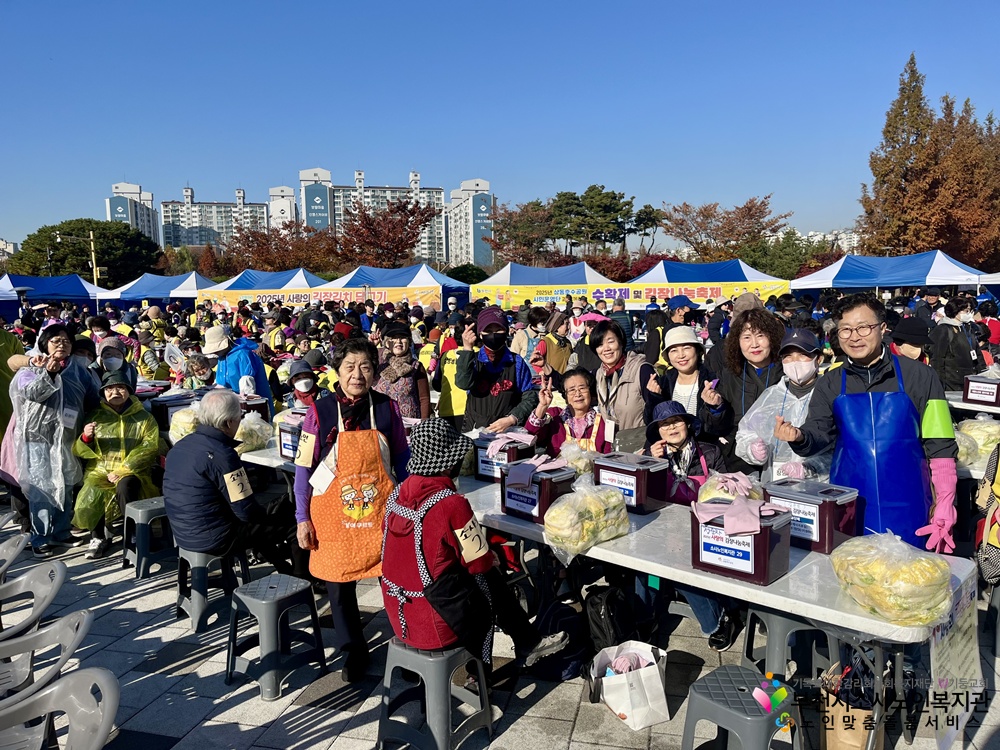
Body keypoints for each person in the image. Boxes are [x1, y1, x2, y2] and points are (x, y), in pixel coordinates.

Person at [380, 418, 568, 686]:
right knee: (487, 580)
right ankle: (482, 673)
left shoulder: (396, 493)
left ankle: (526, 642)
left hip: (399, 614)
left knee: (473, 575)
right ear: (447, 462)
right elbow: (479, 563)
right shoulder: (450, 504)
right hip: (434, 621)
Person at [774, 293, 958, 551]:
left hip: (911, 502)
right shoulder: (830, 381)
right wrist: (800, 437)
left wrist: (946, 501)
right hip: (849, 503)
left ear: (883, 329)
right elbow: (819, 433)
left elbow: (941, 444)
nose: (854, 336)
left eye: (863, 327)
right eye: (845, 330)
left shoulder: (921, 376)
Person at [295, 338, 410, 682]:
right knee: (339, 587)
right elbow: (303, 469)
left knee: (396, 580)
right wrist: (302, 518)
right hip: (332, 513)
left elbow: (402, 461)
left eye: (365, 366)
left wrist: (408, 505)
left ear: (375, 371)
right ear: (337, 371)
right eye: (350, 366)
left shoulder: (388, 408)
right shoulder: (320, 412)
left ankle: (408, 645)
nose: (357, 374)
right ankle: (352, 652)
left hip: (380, 512)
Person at [164, 389, 306, 577]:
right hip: (216, 538)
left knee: (265, 517)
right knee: (293, 522)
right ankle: (302, 579)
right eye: (239, 417)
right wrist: (270, 515)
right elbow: (246, 512)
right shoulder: (223, 454)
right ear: (229, 422)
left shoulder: (182, 445)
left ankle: (283, 567)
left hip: (183, 532)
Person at [641, 401, 735, 650]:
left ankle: (717, 621)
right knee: (644, 570)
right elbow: (643, 497)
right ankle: (646, 621)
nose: (671, 428)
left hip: (703, 527)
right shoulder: (650, 455)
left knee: (684, 569)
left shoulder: (709, 451)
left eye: (676, 422)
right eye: (664, 425)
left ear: (687, 425)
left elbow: (727, 491)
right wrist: (653, 465)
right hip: (661, 528)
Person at [10, 324, 99, 557]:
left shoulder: (79, 371)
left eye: (66, 341)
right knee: (42, 489)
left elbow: (91, 399)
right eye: (55, 340)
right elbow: (32, 394)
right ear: (44, 344)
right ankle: (41, 538)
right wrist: (49, 373)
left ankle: (61, 533)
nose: (62, 344)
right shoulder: (30, 369)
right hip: (38, 437)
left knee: (67, 483)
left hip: (68, 438)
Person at [73, 371, 161, 559]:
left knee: (125, 485)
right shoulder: (95, 416)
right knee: (92, 488)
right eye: (109, 388)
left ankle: (136, 534)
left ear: (129, 391)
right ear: (103, 392)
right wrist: (86, 437)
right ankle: (97, 538)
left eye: (120, 387)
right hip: (100, 469)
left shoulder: (144, 417)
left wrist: (124, 469)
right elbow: (80, 450)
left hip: (134, 471)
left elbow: (149, 447)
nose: (115, 392)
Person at [735, 329, 832, 483]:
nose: (795, 362)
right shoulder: (771, 396)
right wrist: (752, 449)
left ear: (818, 359)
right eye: (788, 357)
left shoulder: (829, 394)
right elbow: (745, 432)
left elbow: (841, 447)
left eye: (802, 355)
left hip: (818, 489)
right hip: (775, 486)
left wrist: (811, 468)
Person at [715, 308, 785, 474]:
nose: (754, 344)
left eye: (760, 335)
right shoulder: (728, 375)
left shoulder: (786, 373)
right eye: (747, 337)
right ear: (737, 342)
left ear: (772, 338)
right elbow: (716, 427)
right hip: (738, 460)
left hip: (779, 458)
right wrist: (713, 408)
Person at [455, 306, 538, 433]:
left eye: (498, 330)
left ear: (506, 331)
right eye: (488, 331)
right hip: (474, 430)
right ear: (480, 335)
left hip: (507, 432)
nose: (493, 335)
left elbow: (530, 396)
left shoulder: (517, 362)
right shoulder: (473, 360)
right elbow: (463, 383)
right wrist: (467, 349)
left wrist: (512, 418)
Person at [591, 319, 662, 448]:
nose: (606, 348)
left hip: (639, 445)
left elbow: (657, 415)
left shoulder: (642, 370)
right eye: (600, 344)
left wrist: (648, 448)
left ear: (621, 342)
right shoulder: (600, 374)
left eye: (610, 342)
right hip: (612, 446)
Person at [650, 326, 728, 437]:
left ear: (697, 351)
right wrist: (654, 397)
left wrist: (716, 408)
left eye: (686, 348)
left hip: (704, 449)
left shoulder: (713, 382)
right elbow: (651, 422)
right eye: (674, 350)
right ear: (668, 357)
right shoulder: (663, 384)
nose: (681, 355)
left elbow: (721, 426)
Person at [526, 369, 612, 457]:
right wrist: (542, 406)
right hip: (558, 471)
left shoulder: (604, 421)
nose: (578, 394)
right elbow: (529, 436)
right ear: (565, 395)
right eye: (571, 390)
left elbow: (609, 456)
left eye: (582, 388)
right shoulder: (555, 417)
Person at [202, 326, 273, 410]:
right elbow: (221, 381)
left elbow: (247, 386)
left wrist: (245, 403)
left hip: (254, 405)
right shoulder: (222, 357)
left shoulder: (243, 354)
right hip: (233, 404)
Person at [373, 323, 431, 420]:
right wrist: (371, 346)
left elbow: (424, 398)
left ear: (409, 342)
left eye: (403, 338)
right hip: (381, 421)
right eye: (394, 338)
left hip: (408, 424)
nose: (398, 341)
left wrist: (424, 423)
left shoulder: (416, 366)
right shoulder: (378, 362)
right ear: (387, 342)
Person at [927, 299, 986, 391]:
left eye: (970, 310)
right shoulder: (943, 329)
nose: (969, 313)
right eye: (966, 311)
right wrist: (939, 382)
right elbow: (937, 358)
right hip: (952, 380)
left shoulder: (968, 327)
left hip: (970, 378)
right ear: (955, 311)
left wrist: (982, 371)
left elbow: (977, 352)